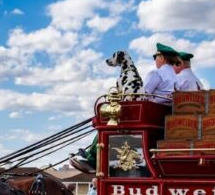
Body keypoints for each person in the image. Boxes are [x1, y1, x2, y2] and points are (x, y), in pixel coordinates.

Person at [71, 43, 181, 173]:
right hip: (162, 117)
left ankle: (92, 158)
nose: (156, 61)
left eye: (156, 57)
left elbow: (142, 94)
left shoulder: (156, 73)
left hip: (148, 115)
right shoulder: (176, 77)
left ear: (161, 57)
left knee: (106, 125)